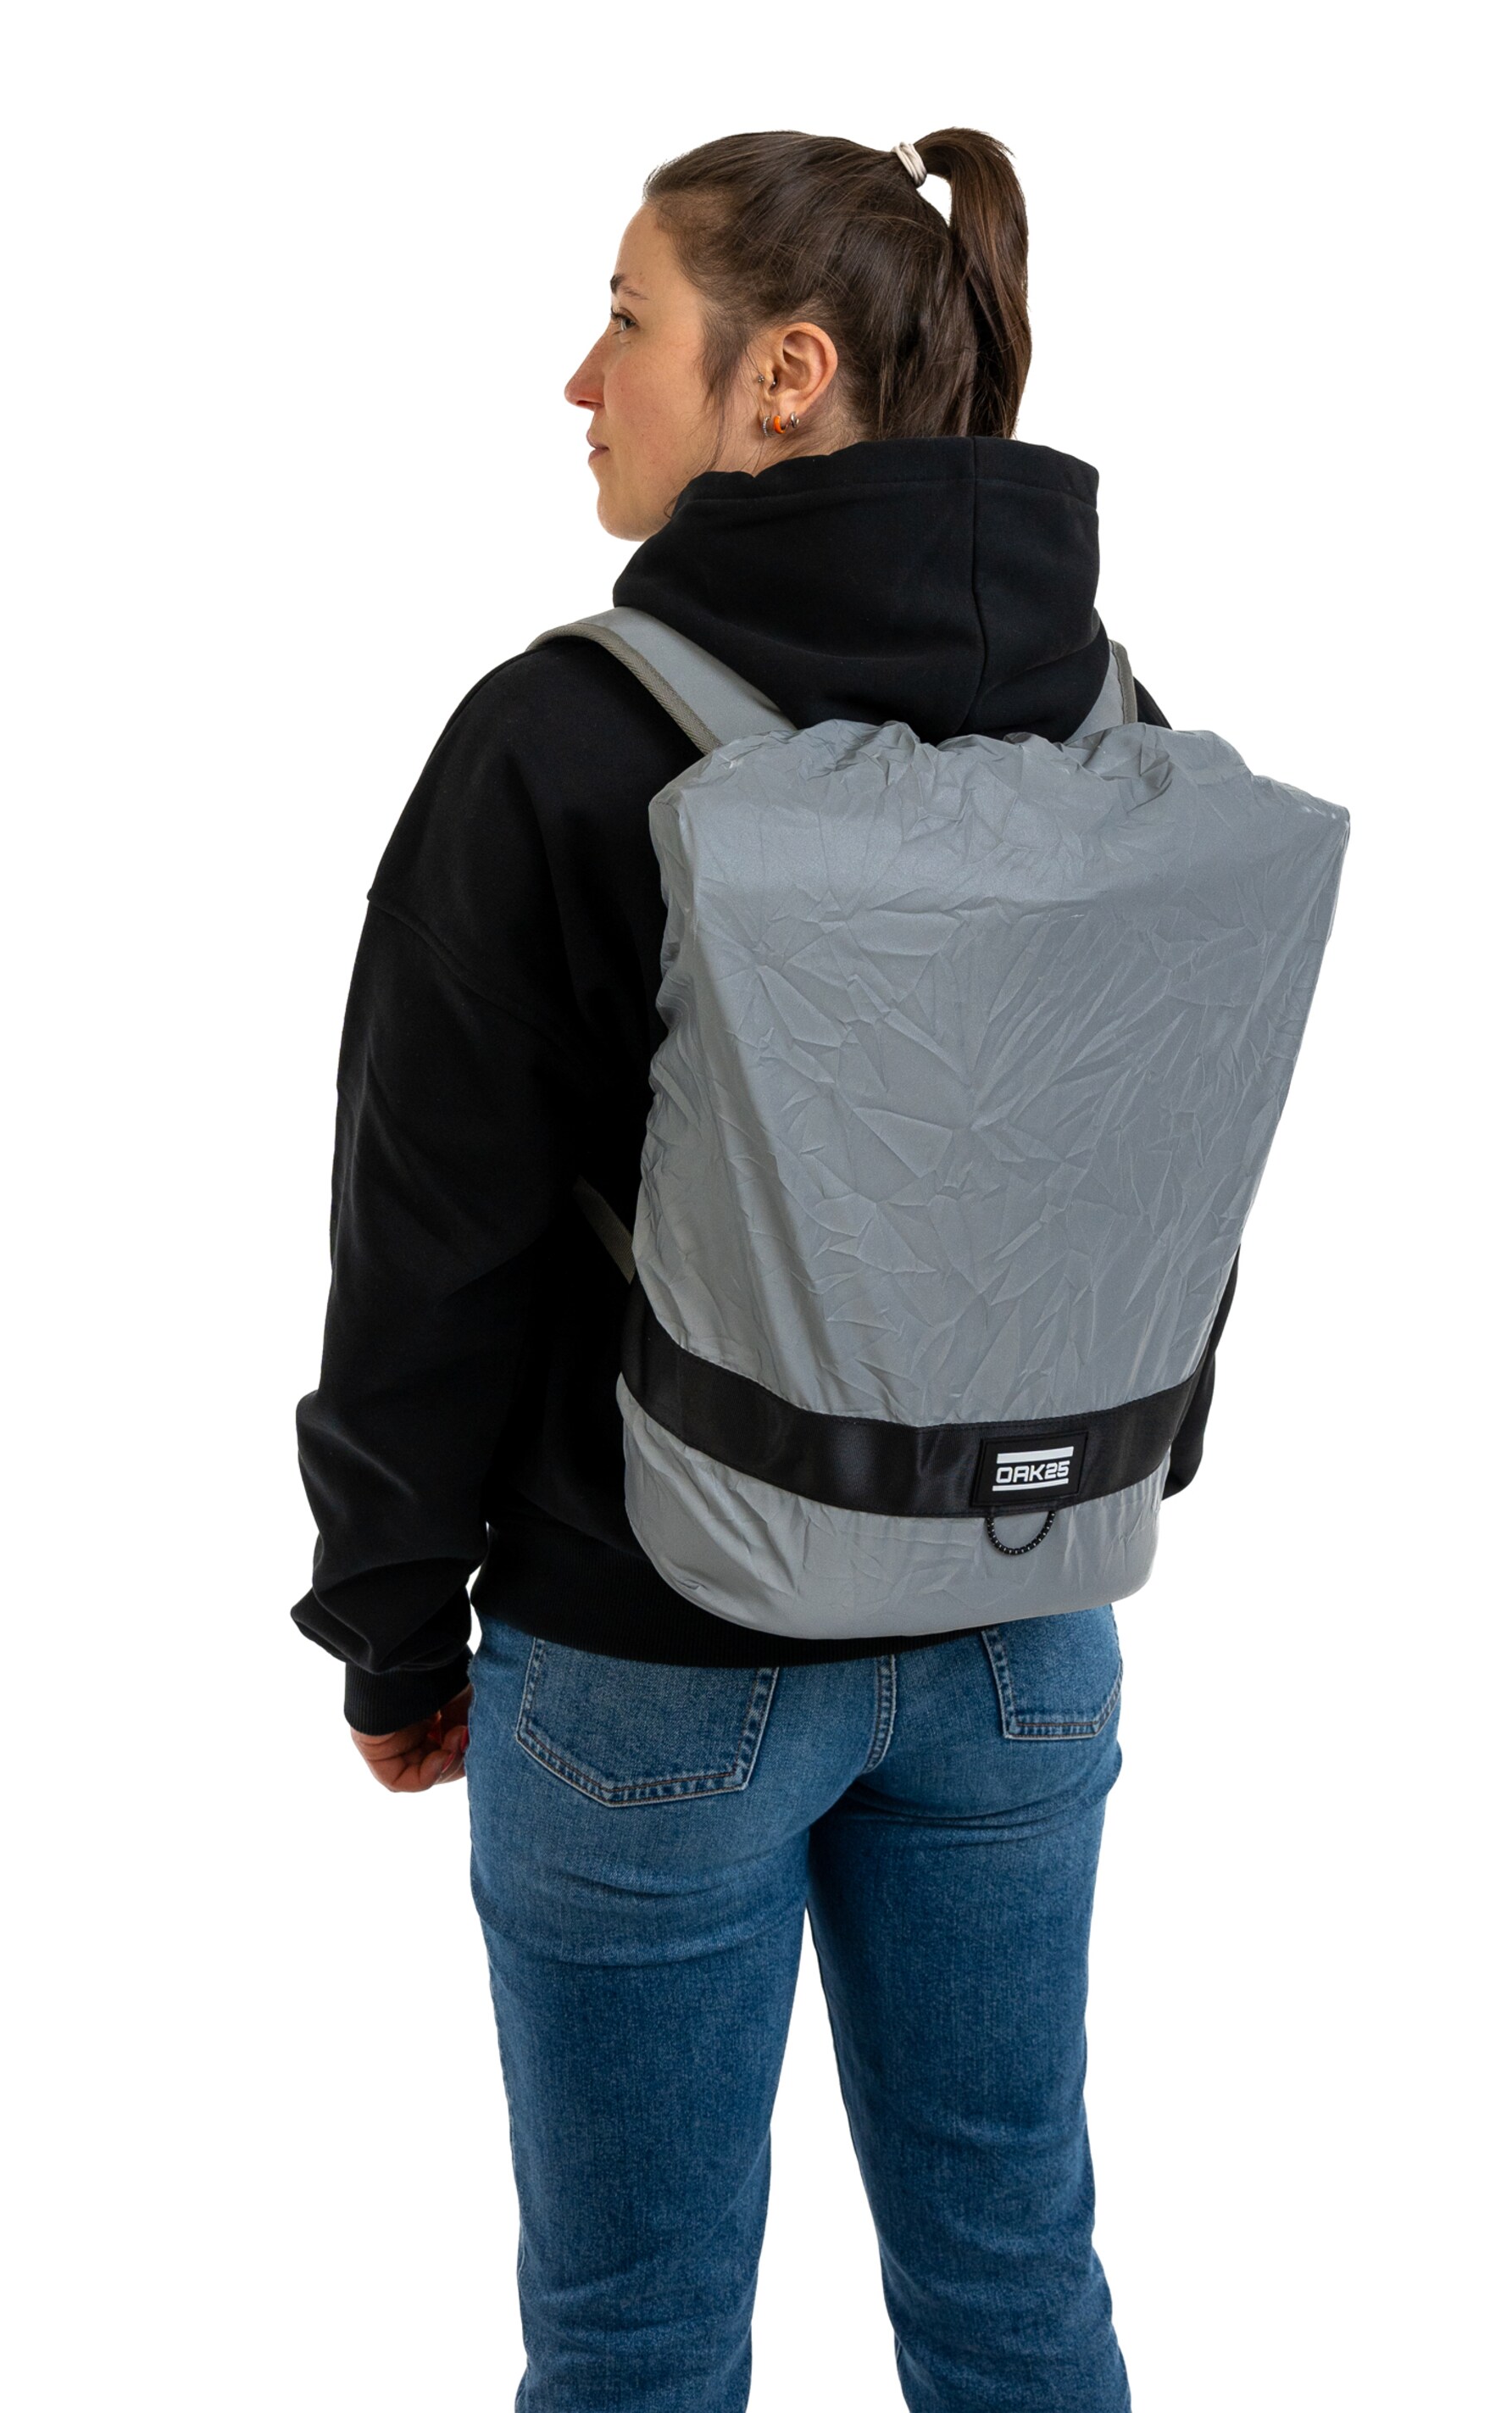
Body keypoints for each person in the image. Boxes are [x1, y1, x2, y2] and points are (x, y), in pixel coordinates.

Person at [293, 129, 1227, 2412]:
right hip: (1023, 1630)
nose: (579, 376)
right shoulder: (1109, 722)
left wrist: (393, 1625)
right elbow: (1142, 1169)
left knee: (634, 2336)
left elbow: (428, 1248)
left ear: (781, 374)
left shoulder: (559, 737)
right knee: (1012, 2283)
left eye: (627, 317)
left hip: (647, 1656)